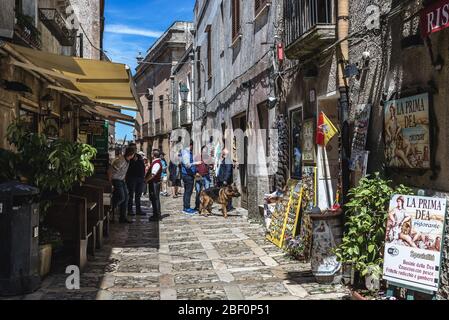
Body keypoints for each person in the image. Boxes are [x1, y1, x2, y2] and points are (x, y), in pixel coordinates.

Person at [108, 147, 135, 224]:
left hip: (121, 180)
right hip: (116, 180)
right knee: (121, 197)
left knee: (126, 198)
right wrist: (110, 183)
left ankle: (122, 217)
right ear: (132, 154)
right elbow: (110, 170)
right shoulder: (121, 161)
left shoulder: (128, 160)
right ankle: (111, 207)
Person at [181, 140, 201, 214]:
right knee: (188, 192)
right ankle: (187, 208)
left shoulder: (186, 152)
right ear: (190, 145)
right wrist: (196, 163)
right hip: (187, 175)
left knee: (187, 192)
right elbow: (187, 165)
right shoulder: (186, 153)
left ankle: (186, 207)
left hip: (188, 175)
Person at [126, 151, 146, 216]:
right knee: (131, 195)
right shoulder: (128, 158)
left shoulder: (139, 157)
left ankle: (138, 210)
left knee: (138, 196)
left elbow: (143, 167)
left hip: (140, 178)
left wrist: (143, 177)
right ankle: (130, 210)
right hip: (131, 178)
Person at [145, 149, 163, 221]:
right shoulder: (155, 162)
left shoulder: (156, 163)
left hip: (154, 183)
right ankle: (156, 214)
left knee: (155, 198)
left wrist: (146, 180)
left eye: (152, 154)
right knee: (154, 198)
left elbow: (153, 174)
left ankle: (156, 215)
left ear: (153, 155)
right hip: (154, 182)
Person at [194, 146, 213, 211]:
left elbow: (211, 166)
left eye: (206, 150)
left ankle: (207, 206)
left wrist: (210, 166)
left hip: (206, 176)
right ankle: (197, 206)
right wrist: (196, 172)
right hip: (198, 176)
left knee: (207, 192)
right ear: (201, 151)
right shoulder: (197, 157)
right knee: (198, 191)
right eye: (204, 150)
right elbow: (194, 166)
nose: (205, 152)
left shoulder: (208, 157)